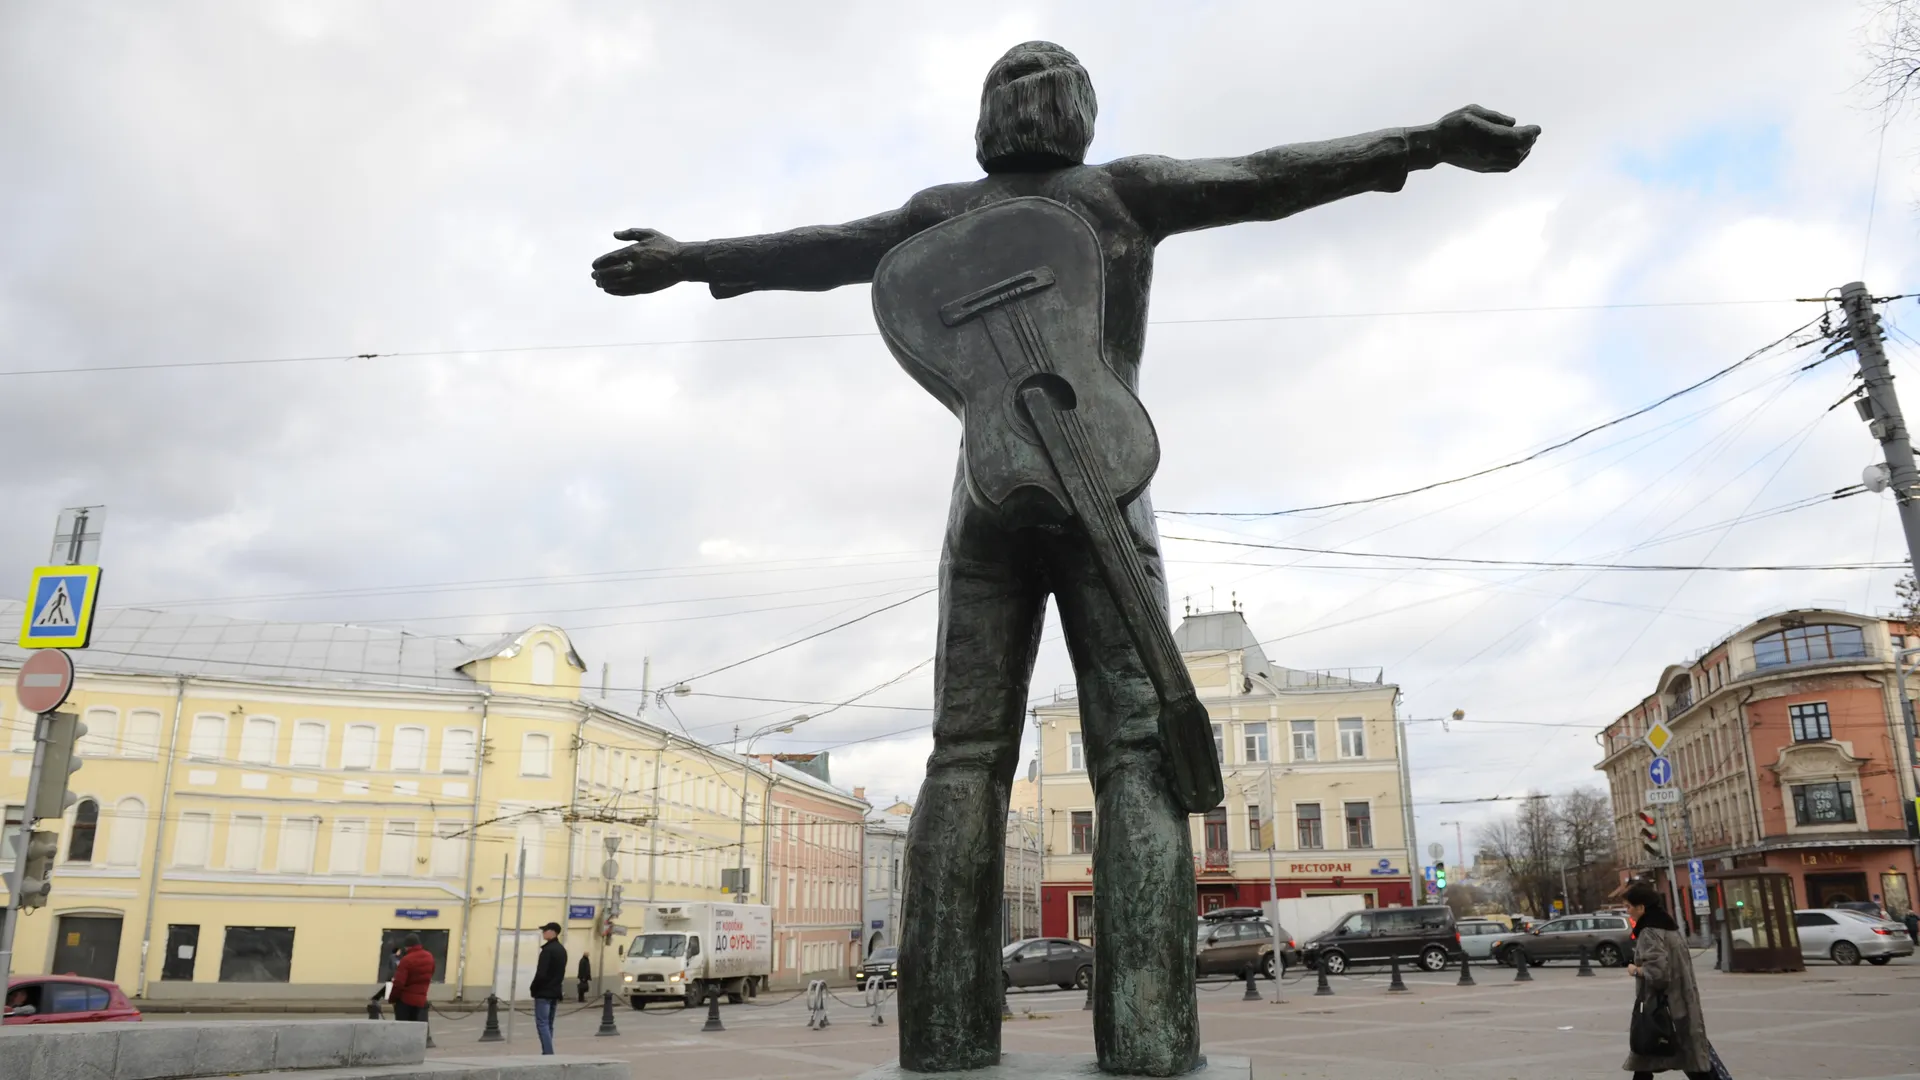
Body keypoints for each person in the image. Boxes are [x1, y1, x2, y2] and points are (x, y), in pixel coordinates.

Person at [591, 39, 1537, 1079]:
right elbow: (1269, 178)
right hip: (1108, 486)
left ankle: (945, 1039)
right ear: (1079, 114)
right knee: (1135, 754)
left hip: (988, 497)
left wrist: (687, 259)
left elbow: (823, 250)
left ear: (987, 120)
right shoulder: (1123, 192)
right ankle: (1149, 1040)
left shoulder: (939, 214)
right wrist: (1424, 143)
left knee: (963, 756)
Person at [1622, 883, 1714, 1079]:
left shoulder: (1649, 932)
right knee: (1666, 1056)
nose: (1627, 911)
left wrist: (1635, 970)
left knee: (1652, 1051)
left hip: (1662, 1007)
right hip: (1682, 1002)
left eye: (1629, 906)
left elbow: (1657, 974)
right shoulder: (1670, 928)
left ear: (1641, 908)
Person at [529, 922, 568, 1055]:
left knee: (542, 1024)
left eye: (545, 930)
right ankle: (548, 1051)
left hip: (543, 992)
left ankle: (548, 1053)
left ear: (553, 932)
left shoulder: (547, 951)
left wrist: (533, 988)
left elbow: (541, 973)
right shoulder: (561, 950)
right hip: (555, 991)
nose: (543, 933)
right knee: (549, 1024)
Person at [389, 934, 435, 1023]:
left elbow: (399, 983)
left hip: (405, 1001)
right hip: (421, 1000)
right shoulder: (429, 957)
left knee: (404, 1027)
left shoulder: (406, 960)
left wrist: (392, 998)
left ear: (407, 946)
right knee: (419, 1028)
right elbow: (431, 973)